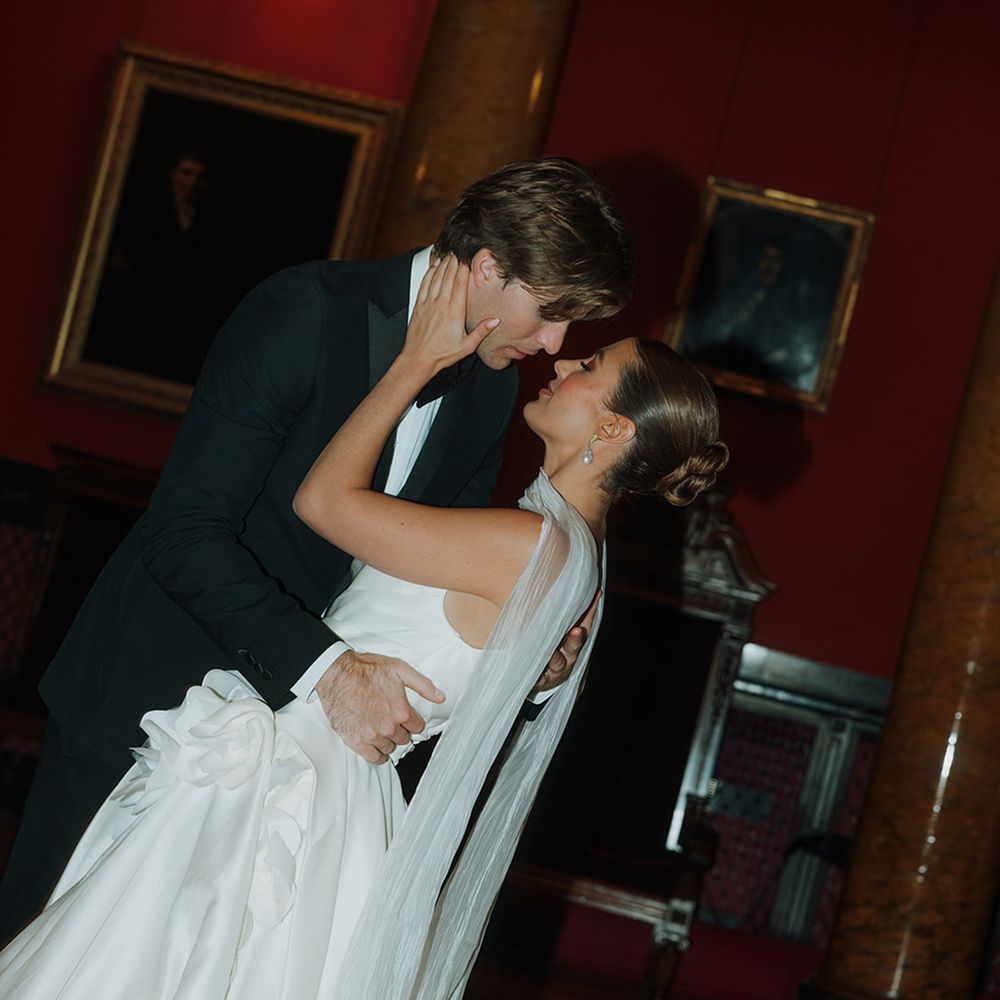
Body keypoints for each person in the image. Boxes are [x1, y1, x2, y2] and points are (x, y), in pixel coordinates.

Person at [0, 256, 729, 997]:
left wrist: (411, 366)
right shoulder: (575, 559)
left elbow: (323, 501)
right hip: (333, 790)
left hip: (294, 779)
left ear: (611, 427)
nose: (565, 354)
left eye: (593, 363)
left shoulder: (525, 545)